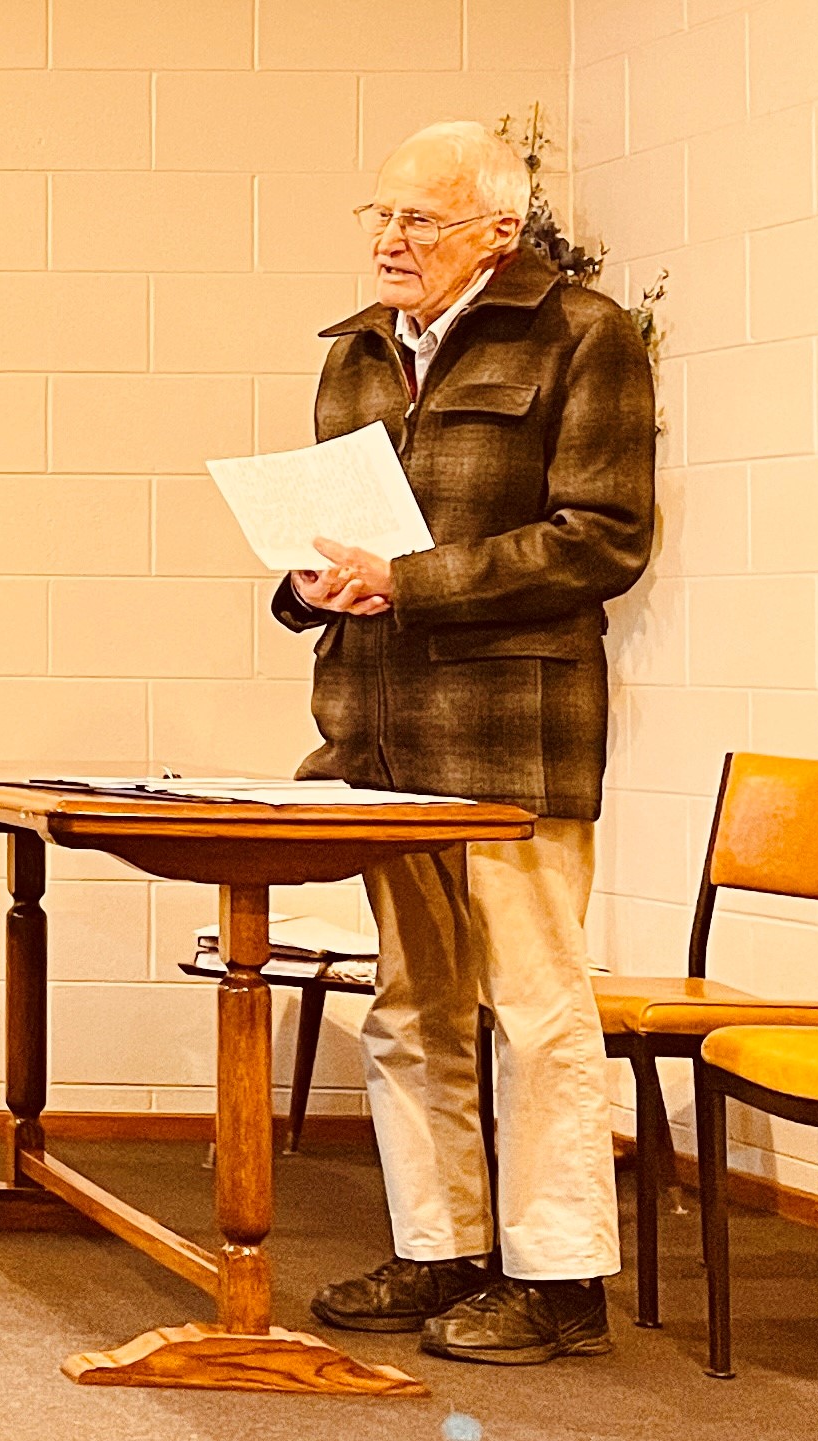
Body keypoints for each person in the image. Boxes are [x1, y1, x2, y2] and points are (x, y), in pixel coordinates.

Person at [281, 121, 656, 1366]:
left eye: (419, 220)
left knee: (534, 1011)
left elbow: (602, 535)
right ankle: (437, 1246)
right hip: (377, 732)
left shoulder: (582, 334)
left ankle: (557, 1278)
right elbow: (335, 535)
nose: (389, 240)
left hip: (509, 733)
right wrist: (307, 584)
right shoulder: (354, 352)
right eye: (380, 216)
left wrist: (411, 582)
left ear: (497, 231)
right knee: (409, 1005)